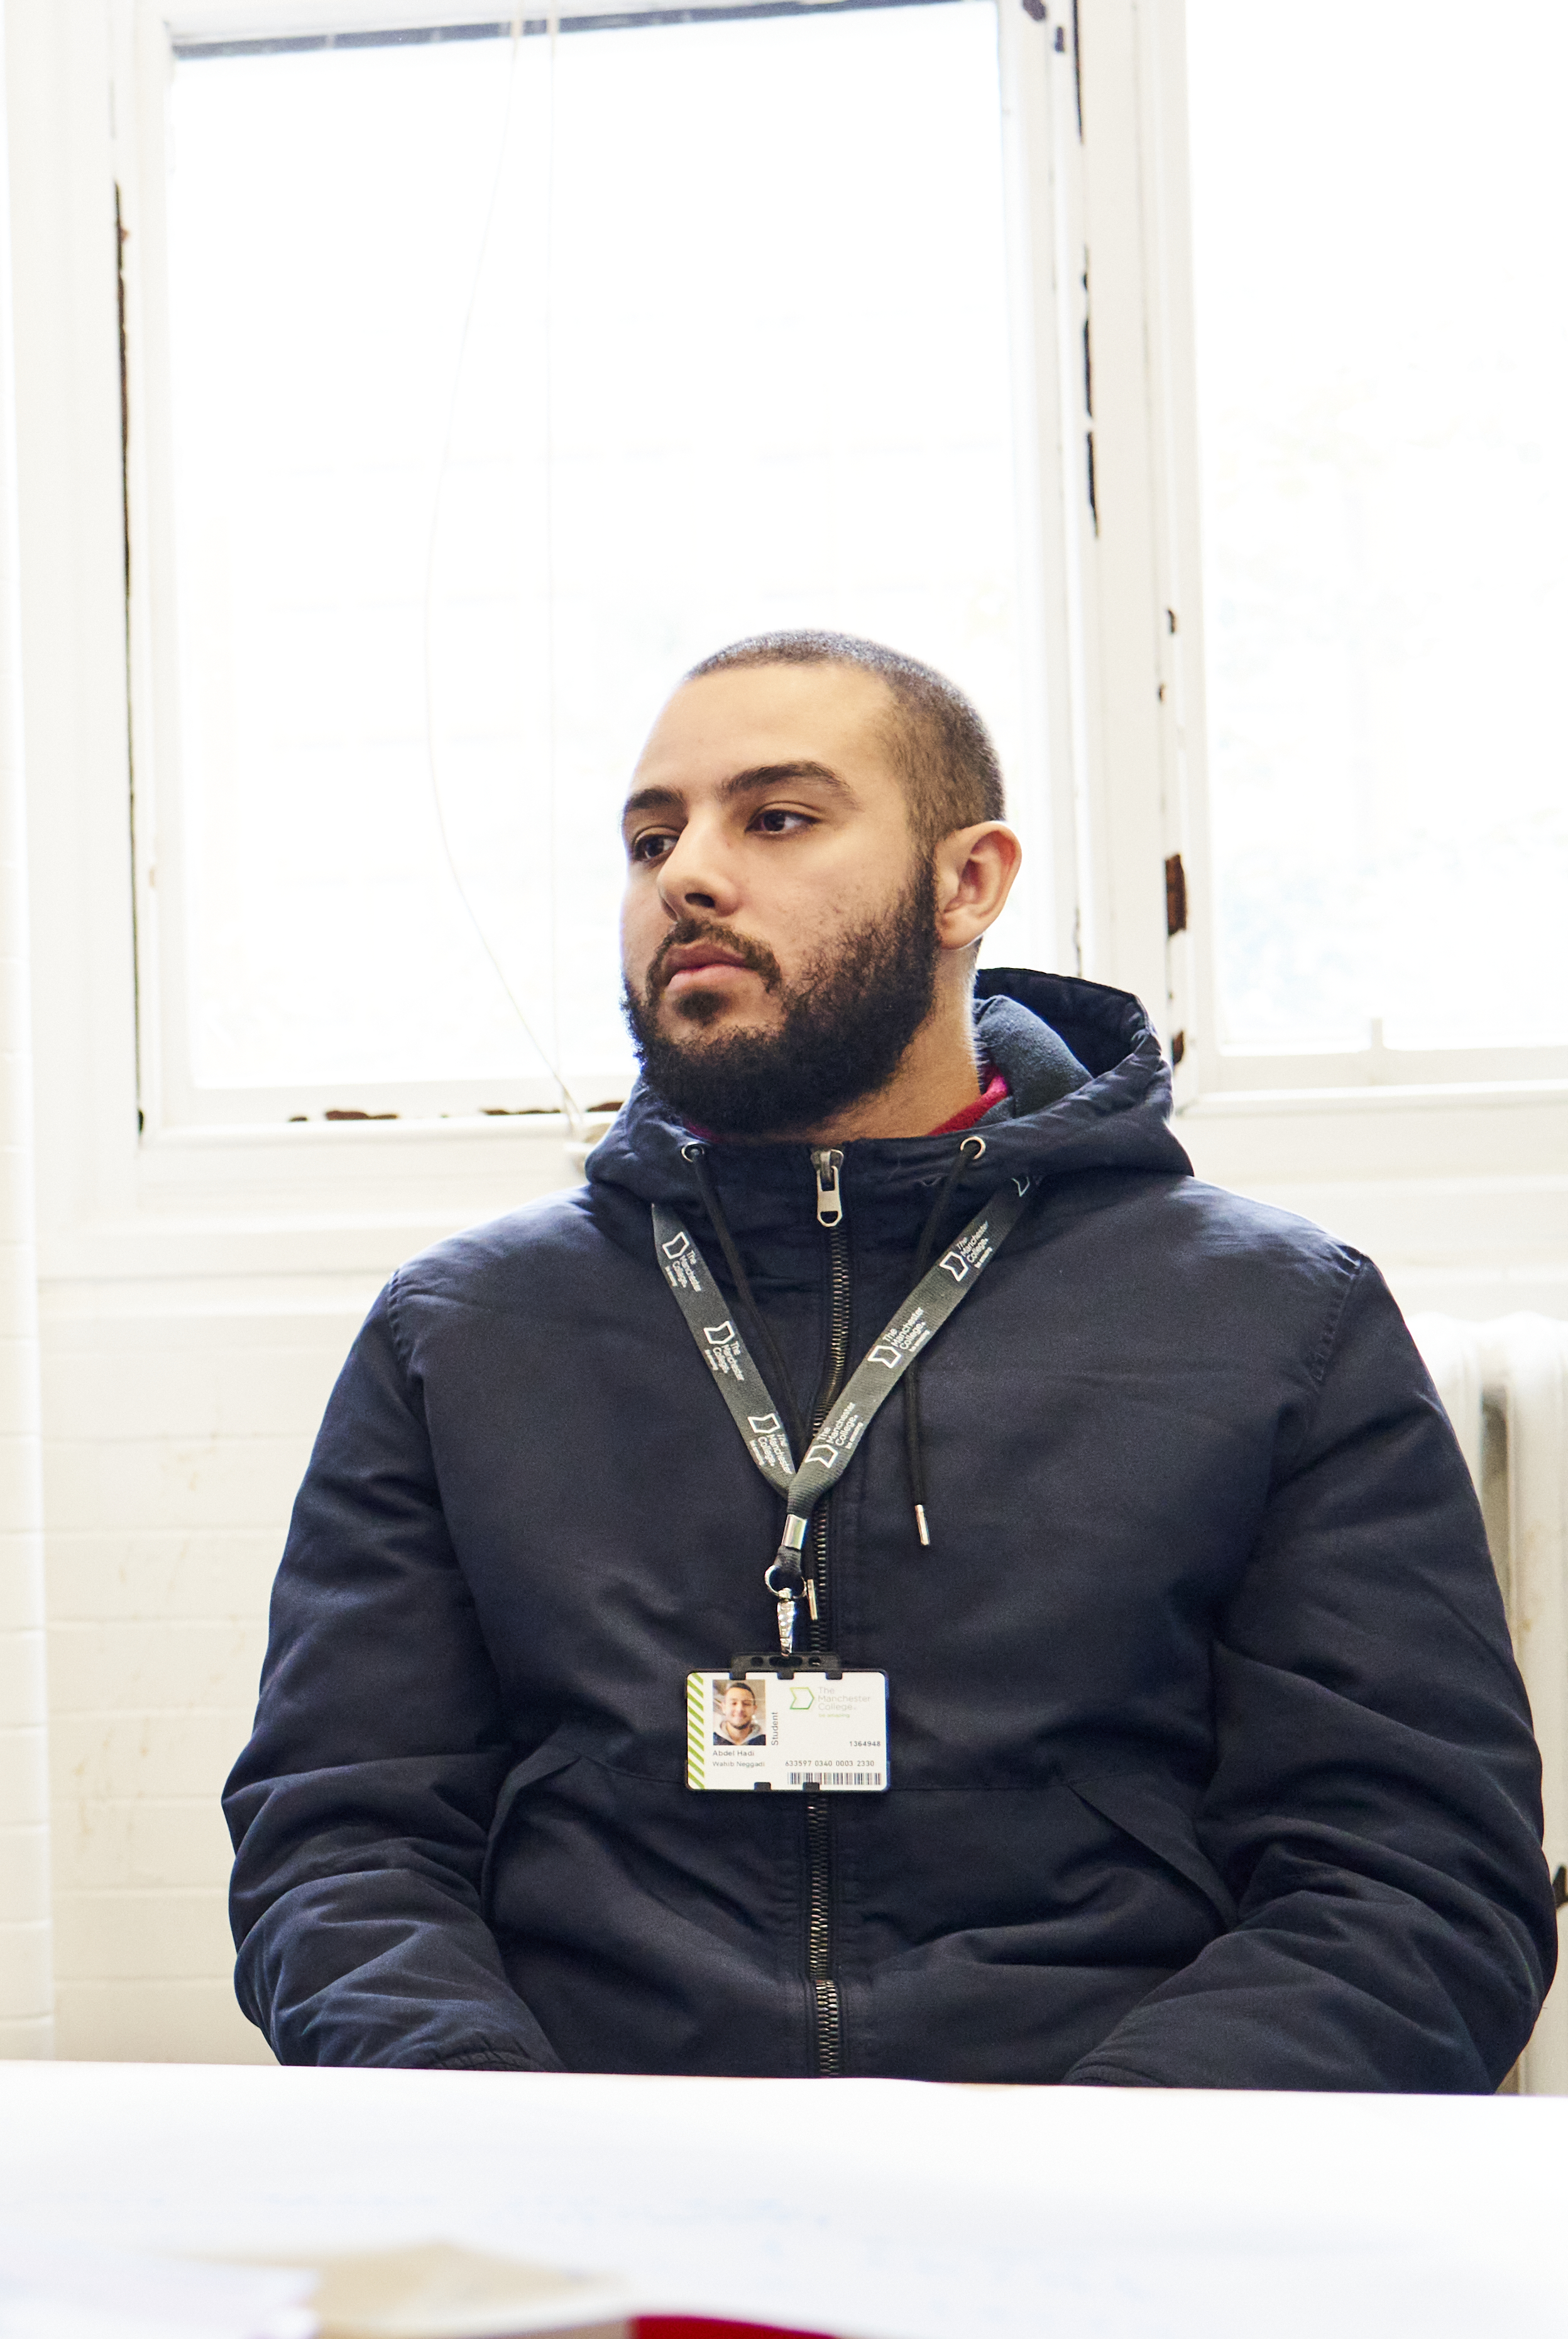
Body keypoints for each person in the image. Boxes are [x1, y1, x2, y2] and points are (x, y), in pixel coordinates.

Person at [228, 630, 1550, 2089]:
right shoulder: (462, 1336)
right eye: (650, 837)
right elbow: (342, 1846)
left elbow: (1416, 1882)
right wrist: (517, 2148)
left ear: (966, 881)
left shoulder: (1273, 1323)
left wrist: (1098, 2177)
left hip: (1109, 2198)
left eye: (775, 818)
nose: (687, 876)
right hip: (600, 2180)